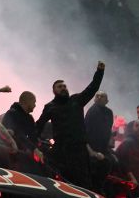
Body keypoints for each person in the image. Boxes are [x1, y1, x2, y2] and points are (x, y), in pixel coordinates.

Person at [34, 61, 105, 190]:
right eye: (59, 86)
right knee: (51, 175)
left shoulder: (76, 100)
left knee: (82, 183)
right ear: (54, 91)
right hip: (61, 148)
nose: (63, 88)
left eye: (64, 86)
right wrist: (33, 144)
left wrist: (99, 72)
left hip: (78, 149)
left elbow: (92, 88)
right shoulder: (50, 107)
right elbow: (39, 126)